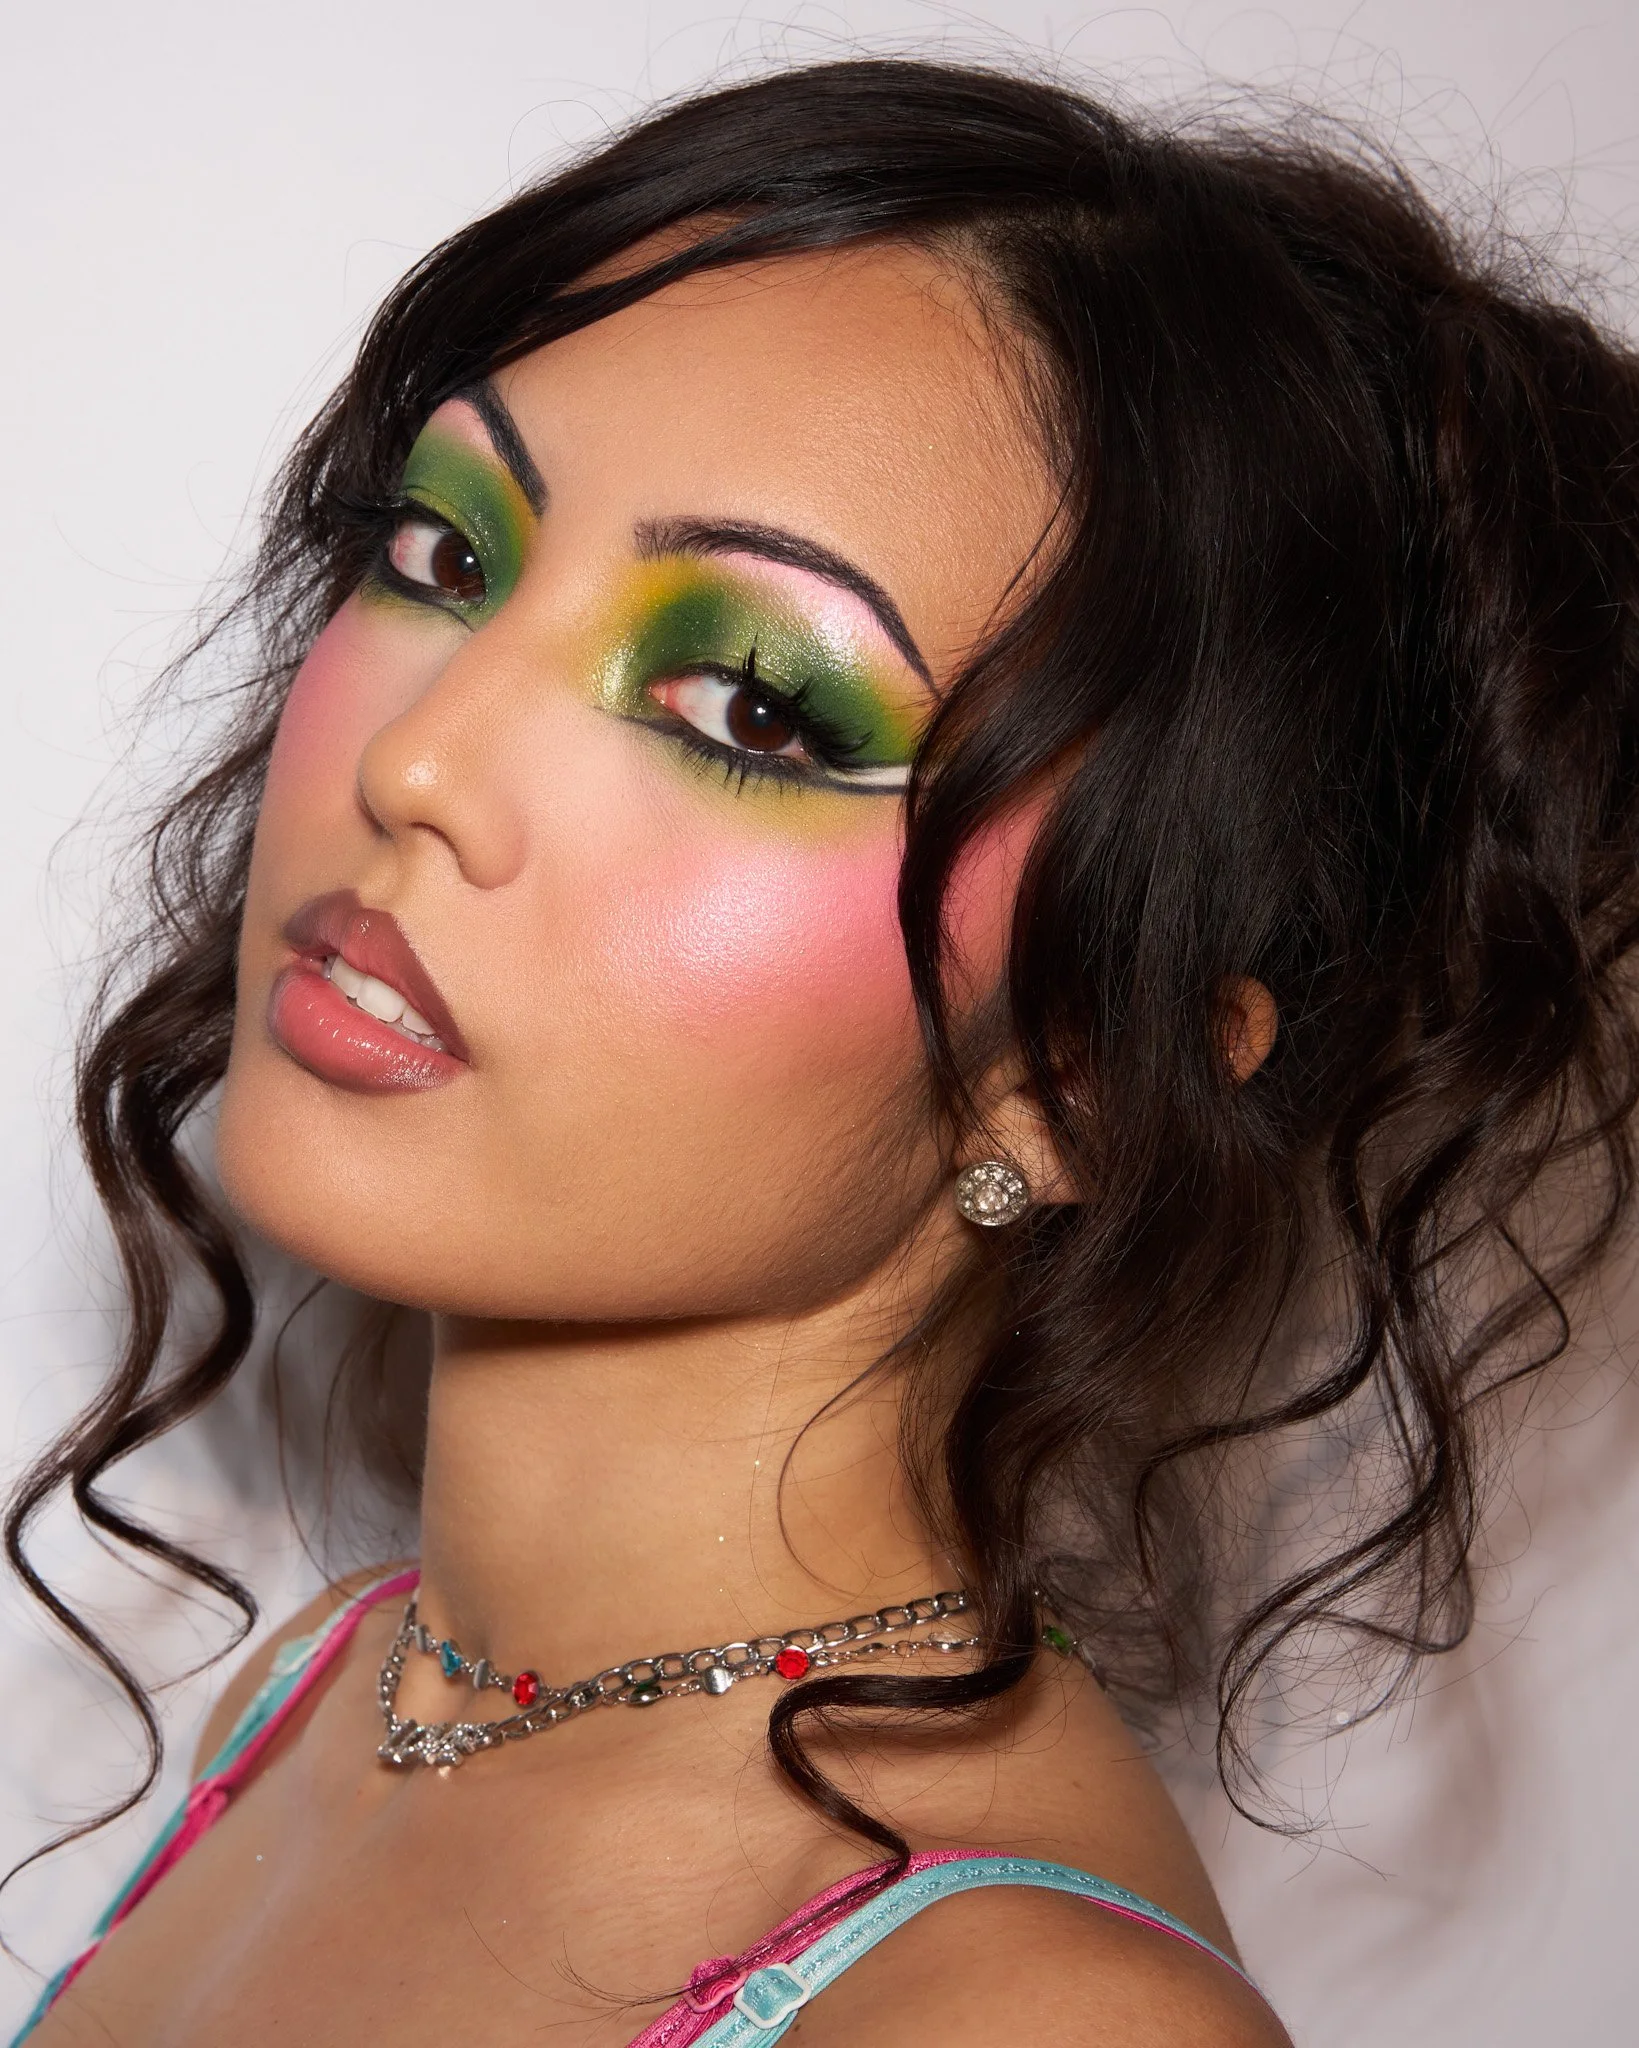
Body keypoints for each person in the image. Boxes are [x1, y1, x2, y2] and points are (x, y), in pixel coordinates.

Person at [8, 55, 1638, 2046]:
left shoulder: (1014, 2026)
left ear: (1084, 1074)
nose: (413, 761)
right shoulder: (344, 1694)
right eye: (448, 555)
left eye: (755, 709)